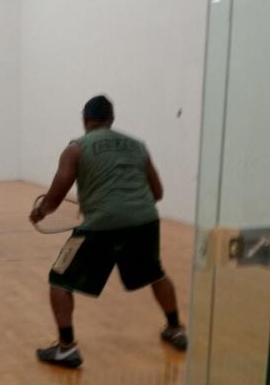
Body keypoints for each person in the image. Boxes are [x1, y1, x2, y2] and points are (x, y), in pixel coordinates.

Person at [29, 95, 188, 369]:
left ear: (85, 120)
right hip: (144, 222)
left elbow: (56, 195)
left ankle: (66, 347)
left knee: (59, 280)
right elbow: (157, 192)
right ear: (112, 119)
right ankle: (175, 328)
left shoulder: (76, 148)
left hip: (100, 226)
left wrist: (39, 212)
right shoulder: (138, 146)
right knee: (155, 273)